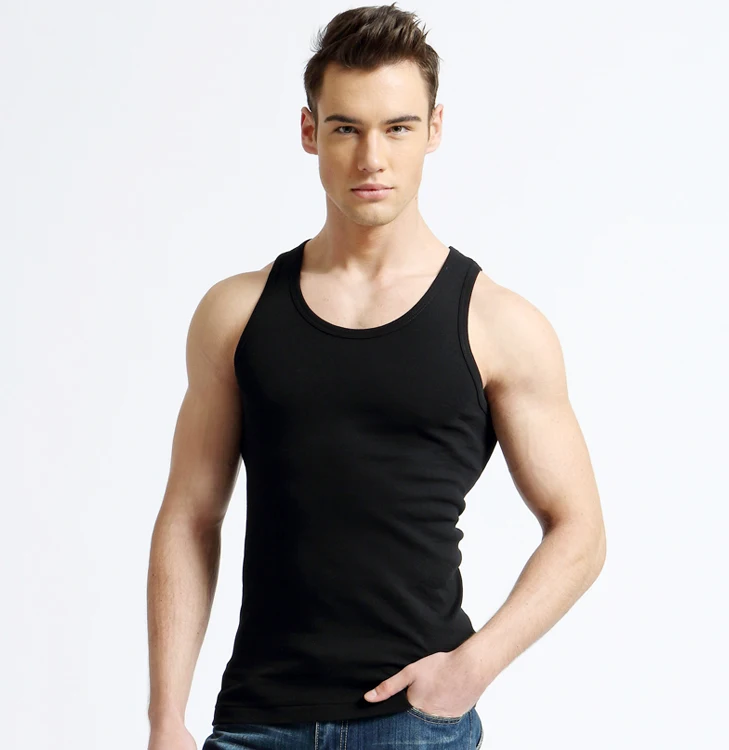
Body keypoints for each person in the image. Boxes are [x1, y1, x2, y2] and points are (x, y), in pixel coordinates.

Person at [146, 4, 606, 750]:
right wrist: (166, 716)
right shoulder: (236, 313)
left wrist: (472, 667)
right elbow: (190, 516)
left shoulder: (498, 326)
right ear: (309, 132)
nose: (372, 159)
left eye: (397, 128)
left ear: (434, 129)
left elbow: (580, 528)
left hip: (415, 724)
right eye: (346, 129)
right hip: (258, 719)